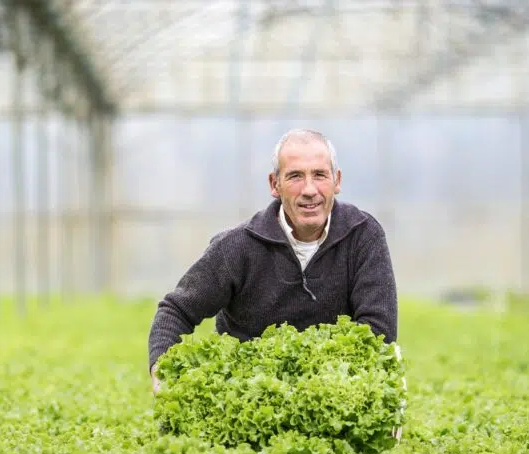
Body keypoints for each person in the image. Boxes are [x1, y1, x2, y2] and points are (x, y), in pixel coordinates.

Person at [147, 128, 399, 394]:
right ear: (274, 184)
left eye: (320, 175)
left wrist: (323, 386)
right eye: (295, 176)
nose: (309, 190)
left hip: (337, 392)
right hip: (247, 396)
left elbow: (378, 332)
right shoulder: (237, 247)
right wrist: (163, 370)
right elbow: (176, 310)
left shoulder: (363, 235)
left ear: (337, 180)